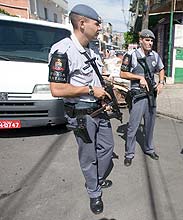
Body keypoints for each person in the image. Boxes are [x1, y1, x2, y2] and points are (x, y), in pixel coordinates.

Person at [48, 4, 115, 215]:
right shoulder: (62, 50)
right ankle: (94, 193)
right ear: (82, 23)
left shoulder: (92, 50)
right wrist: (89, 89)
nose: (100, 28)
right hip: (80, 113)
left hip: (99, 109)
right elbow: (56, 89)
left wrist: (104, 86)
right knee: (88, 156)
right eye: (97, 24)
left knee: (107, 148)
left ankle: (96, 180)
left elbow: (95, 79)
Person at [120, 29, 165, 167]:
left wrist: (161, 82)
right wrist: (139, 77)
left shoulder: (155, 56)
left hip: (151, 95)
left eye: (152, 40)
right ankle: (129, 154)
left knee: (150, 125)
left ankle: (149, 148)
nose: (150, 43)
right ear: (141, 40)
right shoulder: (131, 55)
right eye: (147, 40)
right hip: (138, 95)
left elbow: (161, 69)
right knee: (133, 126)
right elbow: (122, 73)